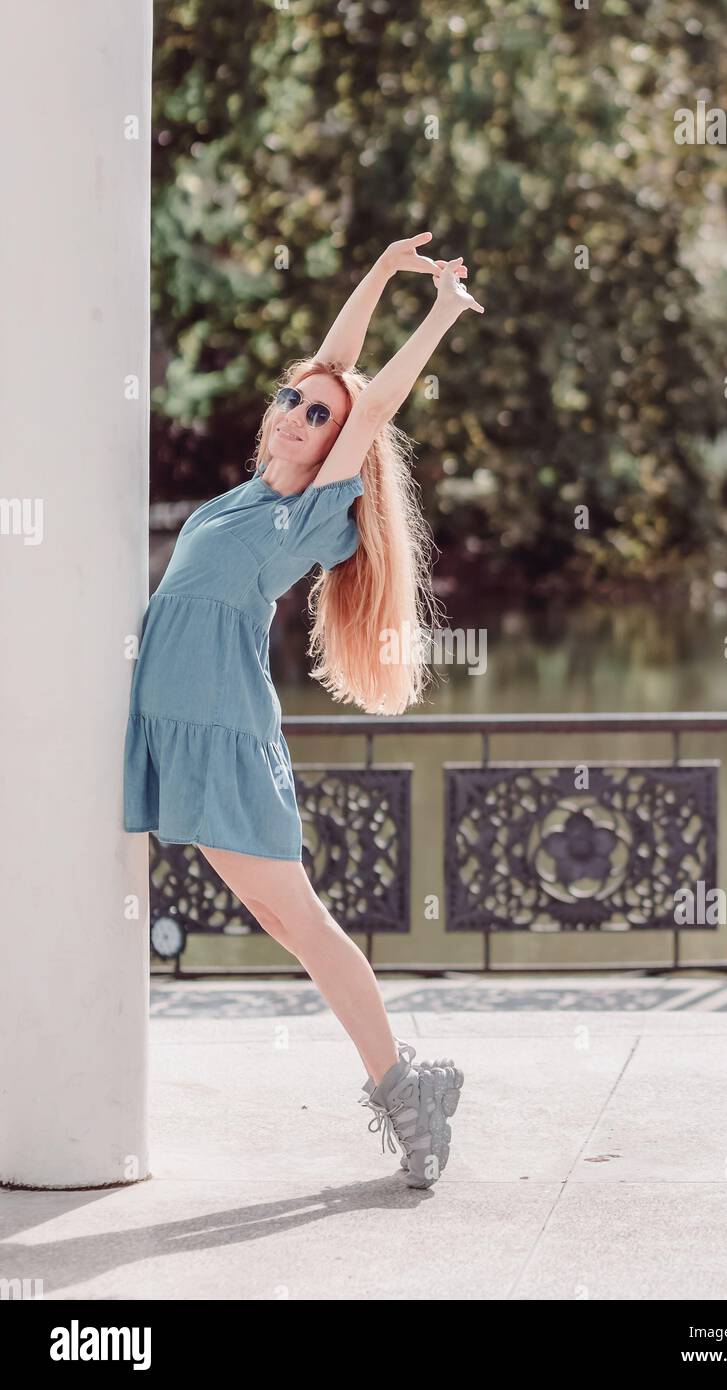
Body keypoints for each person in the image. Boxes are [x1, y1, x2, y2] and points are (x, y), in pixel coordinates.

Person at [123, 234, 483, 1188]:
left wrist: (440, 310)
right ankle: (413, 1087)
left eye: (315, 413)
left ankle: (409, 1096)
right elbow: (338, 364)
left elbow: (374, 396)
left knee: (306, 929)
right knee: (292, 928)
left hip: (225, 737)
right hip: (178, 729)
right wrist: (378, 271)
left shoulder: (313, 511)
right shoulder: (246, 496)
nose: (294, 412)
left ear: (336, 444)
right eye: (290, 398)